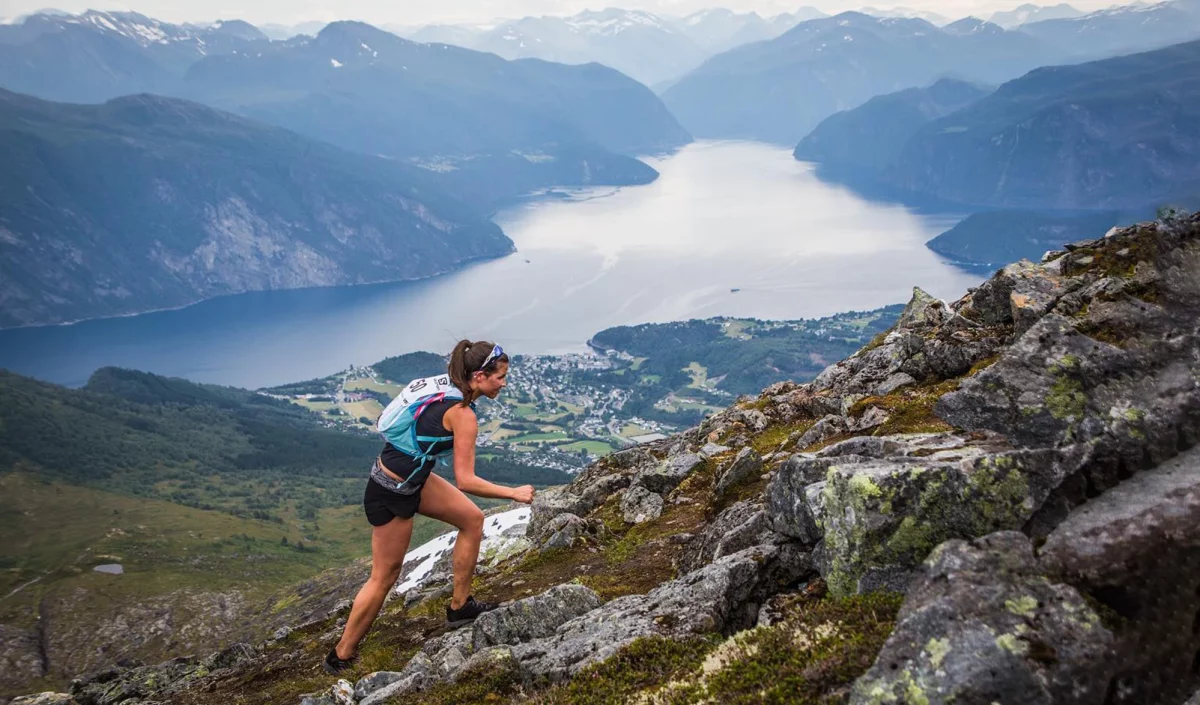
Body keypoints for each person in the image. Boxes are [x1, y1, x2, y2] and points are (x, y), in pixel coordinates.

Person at [324, 340, 534, 674]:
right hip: (393, 489)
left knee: (472, 519)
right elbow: (466, 480)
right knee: (384, 576)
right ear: (479, 376)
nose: (504, 383)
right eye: (501, 377)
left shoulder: (448, 384)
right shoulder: (462, 414)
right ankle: (341, 655)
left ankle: (460, 606)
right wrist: (513, 492)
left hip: (410, 475)